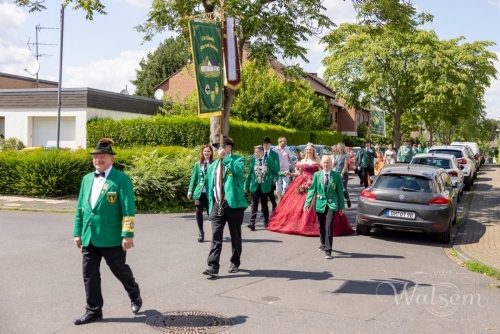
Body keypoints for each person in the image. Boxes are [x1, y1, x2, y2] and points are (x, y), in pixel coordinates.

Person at [72, 138, 141, 325]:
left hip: (112, 237)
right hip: (89, 236)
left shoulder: (121, 179)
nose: (98, 160)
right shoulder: (87, 179)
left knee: (119, 270)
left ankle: (134, 292)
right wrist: (77, 232)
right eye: (95, 157)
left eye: (102, 156)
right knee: (89, 274)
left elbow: (128, 208)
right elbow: (81, 208)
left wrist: (128, 234)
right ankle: (93, 310)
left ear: (111, 159)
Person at [266, 143, 354, 237]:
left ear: (313, 151)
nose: (308, 151)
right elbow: (299, 173)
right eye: (307, 150)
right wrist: (290, 174)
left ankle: (317, 226)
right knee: (297, 204)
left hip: (315, 181)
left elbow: (322, 172)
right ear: (305, 151)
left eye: (310, 150)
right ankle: (299, 225)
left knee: (316, 204)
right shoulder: (302, 160)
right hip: (302, 182)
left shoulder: (317, 160)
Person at [203, 136, 247, 277]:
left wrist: (226, 158)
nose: (219, 149)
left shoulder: (238, 159)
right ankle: (213, 266)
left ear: (230, 147)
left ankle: (235, 262)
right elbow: (211, 186)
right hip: (218, 204)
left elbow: (238, 171)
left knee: (235, 236)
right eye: (217, 147)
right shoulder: (214, 165)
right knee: (216, 236)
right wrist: (211, 205)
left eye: (222, 146)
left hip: (233, 204)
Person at [304, 155, 346, 259]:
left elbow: (340, 191)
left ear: (331, 164)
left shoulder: (336, 176)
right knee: (320, 225)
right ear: (321, 164)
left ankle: (328, 250)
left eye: (328, 162)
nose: (326, 164)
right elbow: (312, 190)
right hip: (320, 202)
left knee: (329, 225)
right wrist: (307, 203)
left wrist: (342, 206)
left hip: (332, 203)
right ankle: (323, 243)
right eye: (324, 162)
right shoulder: (317, 175)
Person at [187, 144, 214, 242]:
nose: (206, 153)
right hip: (200, 192)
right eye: (205, 151)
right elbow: (193, 178)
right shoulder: (198, 164)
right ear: (202, 153)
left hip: (210, 193)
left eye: (208, 151)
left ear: (211, 152)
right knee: (198, 211)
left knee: (210, 213)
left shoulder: (214, 163)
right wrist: (190, 190)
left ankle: (215, 232)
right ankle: (201, 232)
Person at [245, 145, 273, 230]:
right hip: (254, 186)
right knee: (254, 205)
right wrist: (245, 185)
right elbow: (249, 173)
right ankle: (252, 223)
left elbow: (274, 171)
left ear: (261, 152)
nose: (255, 153)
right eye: (255, 152)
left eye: (256, 152)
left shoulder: (269, 160)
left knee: (264, 205)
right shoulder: (253, 161)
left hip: (264, 187)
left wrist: (276, 177)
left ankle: (266, 221)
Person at [272, 136, 295, 202]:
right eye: (284, 141)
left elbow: (291, 160)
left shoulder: (287, 150)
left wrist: (295, 168)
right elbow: (271, 161)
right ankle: (280, 202)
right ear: (279, 142)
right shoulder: (274, 150)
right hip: (277, 171)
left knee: (285, 186)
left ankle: (284, 201)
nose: (286, 142)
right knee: (278, 187)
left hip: (286, 170)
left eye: (286, 141)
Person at [263, 136, 280, 210]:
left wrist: (276, 177)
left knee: (270, 195)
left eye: (267, 143)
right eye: (264, 143)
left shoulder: (274, 154)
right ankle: (264, 210)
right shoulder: (261, 153)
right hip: (262, 178)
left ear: (270, 144)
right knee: (263, 195)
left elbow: (277, 166)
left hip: (271, 177)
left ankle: (274, 206)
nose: (266, 144)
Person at [332, 142, 351, 208]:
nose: (336, 148)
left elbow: (345, 165)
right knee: (335, 188)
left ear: (341, 148)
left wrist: (342, 173)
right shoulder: (336, 155)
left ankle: (348, 199)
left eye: (338, 147)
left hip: (343, 173)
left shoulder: (346, 155)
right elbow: (334, 165)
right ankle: (338, 201)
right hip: (336, 172)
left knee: (344, 189)